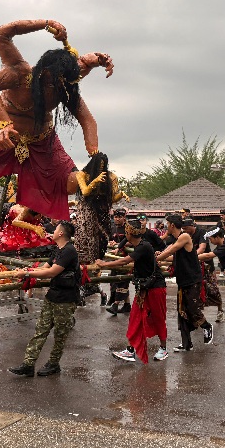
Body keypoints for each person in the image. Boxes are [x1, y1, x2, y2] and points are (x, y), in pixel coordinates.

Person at [0, 19, 114, 221]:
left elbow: (88, 120)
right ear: (43, 71)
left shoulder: (65, 87)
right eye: (50, 81)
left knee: (69, 183)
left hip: (40, 141)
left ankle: (91, 181)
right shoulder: (19, 72)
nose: (52, 87)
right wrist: (45, 23)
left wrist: (94, 154)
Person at [8, 221, 80, 377]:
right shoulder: (57, 250)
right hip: (53, 295)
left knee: (60, 334)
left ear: (61, 233)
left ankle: (54, 364)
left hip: (66, 299)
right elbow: (44, 268)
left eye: (55, 229)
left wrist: (27, 274)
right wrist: (27, 270)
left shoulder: (69, 251)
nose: (52, 231)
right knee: (40, 330)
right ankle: (28, 364)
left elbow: (52, 272)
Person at [97, 219, 168, 363]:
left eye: (126, 232)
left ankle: (163, 348)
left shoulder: (144, 247)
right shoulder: (139, 244)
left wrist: (104, 264)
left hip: (156, 288)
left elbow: (124, 261)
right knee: (135, 317)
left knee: (158, 317)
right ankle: (130, 350)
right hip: (143, 288)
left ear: (129, 233)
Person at [71, 152, 127, 307]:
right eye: (99, 165)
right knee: (85, 239)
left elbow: (113, 198)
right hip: (86, 209)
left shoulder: (112, 177)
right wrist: (95, 181)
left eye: (104, 165)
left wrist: (121, 194)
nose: (102, 167)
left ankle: (95, 269)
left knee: (102, 238)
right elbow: (85, 192)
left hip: (102, 211)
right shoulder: (83, 174)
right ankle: (85, 271)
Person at [155, 214, 213, 352]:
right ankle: (187, 344)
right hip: (183, 280)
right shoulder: (177, 239)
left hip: (192, 280)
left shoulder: (184, 236)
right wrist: (159, 256)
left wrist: (156, 258)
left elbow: (172, 249)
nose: (166, 226)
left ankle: (207, 326)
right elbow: (171, 256)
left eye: (167, 224)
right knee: (182, 312)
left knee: (193, 309)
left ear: (172, 225)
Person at [185, 219, 224, 323]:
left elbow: (202, 248)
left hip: (206, 266)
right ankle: (198, 315)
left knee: (213, 289)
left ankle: (220, 310)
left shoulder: (201, 232)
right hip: (194, 267)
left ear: (192, 226)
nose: (185, 230)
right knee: (196, 291)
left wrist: (191, 257)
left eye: (186, 228)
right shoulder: (186, 235)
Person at [107, 208, 132, 314]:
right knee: (115, 281)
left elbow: (134, 241)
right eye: (115, 217)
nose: (117, 219)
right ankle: (127, 305)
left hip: (127, 259)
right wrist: (111, 242)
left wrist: (121, 245)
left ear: (124, 217)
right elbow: (108, 240)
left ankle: (115, 305)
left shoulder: (129, 228)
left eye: (119, 217)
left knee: (122, 281)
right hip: (115, 259)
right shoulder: (112, 228)